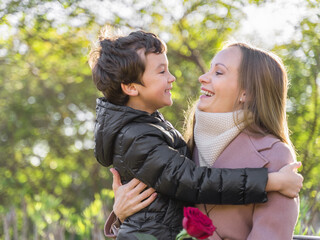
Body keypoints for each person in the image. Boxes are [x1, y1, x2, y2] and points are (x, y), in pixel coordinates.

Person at [89, 29, 303, 239]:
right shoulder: (186, 143)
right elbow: (181, 190)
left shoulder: (274, 156)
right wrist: (121, 213)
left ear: (247, 92)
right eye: (161, 71)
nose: (202, 77)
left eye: (218, 72)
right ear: (131, 87)